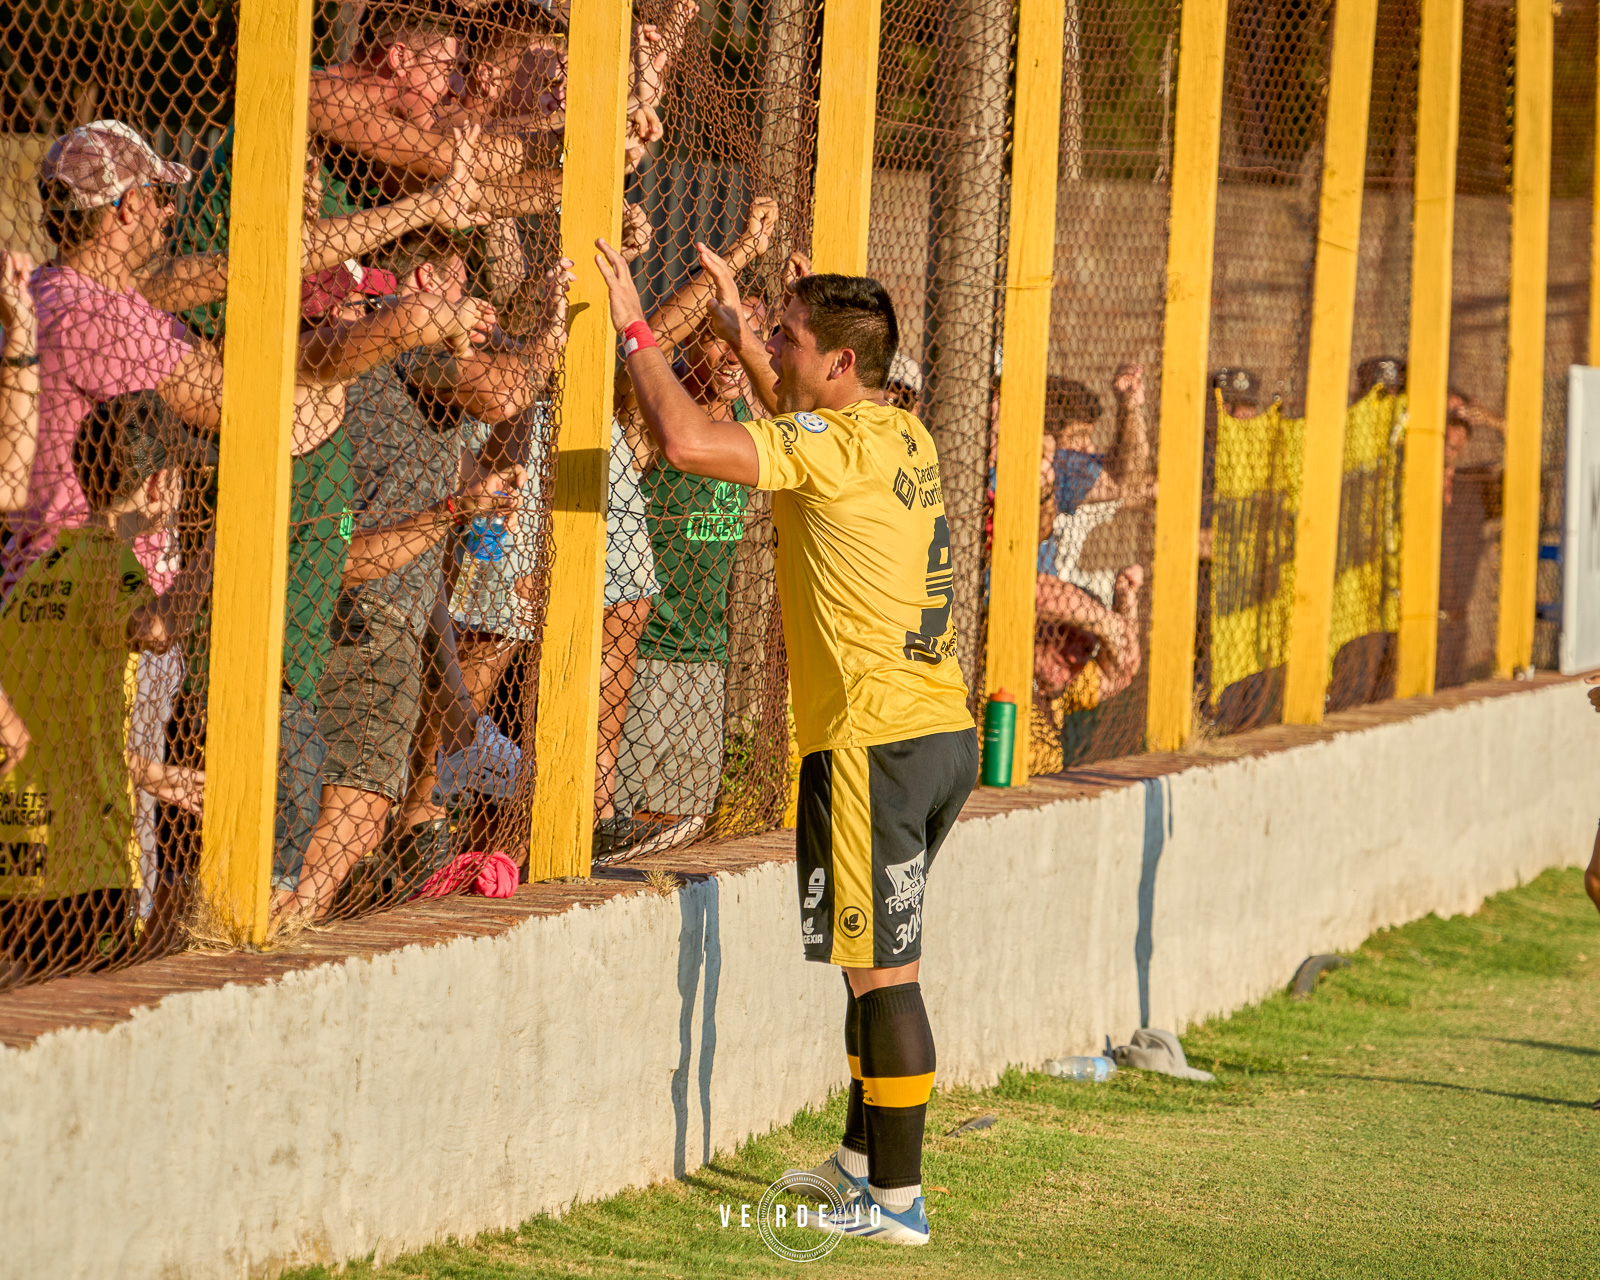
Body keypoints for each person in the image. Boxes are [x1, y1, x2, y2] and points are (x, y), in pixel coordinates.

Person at [595, 238, 978, 1246]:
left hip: (872, 750)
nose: (775, 345)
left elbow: (683, 440)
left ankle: (897, 1204)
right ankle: (861, 1161)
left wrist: (638, 323)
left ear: (840, 365)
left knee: (884, 971)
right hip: (936, 737)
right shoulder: (899, 435)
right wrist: (733, 331)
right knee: (870, 956)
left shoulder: (837, 444)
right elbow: (798, 426)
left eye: (788, 338)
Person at [277, 232, 537, 920]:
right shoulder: (404, 343)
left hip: (324, 591)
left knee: (308, 772)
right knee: (361, 786)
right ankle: (294, 910)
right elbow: (506, 390)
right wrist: (551, 341)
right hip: (371, 601)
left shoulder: (302, 355)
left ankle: (294, 896)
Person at [0, 392, 207, 986]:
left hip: (22, 853)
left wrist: (151, 773)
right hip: (90, 866)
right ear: (161, 484)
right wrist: (211, 559)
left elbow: (56, 726)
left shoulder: (41, 573)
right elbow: (157, 629)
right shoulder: (112, 563)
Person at [599, 196, 777, 858]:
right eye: (719, 336)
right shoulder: (659, 414)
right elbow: (658, 340)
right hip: (648, 657)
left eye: (746, 338)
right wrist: (734, 259)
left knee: (686, 831)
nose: (732, 353)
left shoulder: (752, 428)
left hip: (707, 659)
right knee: (634, 831)